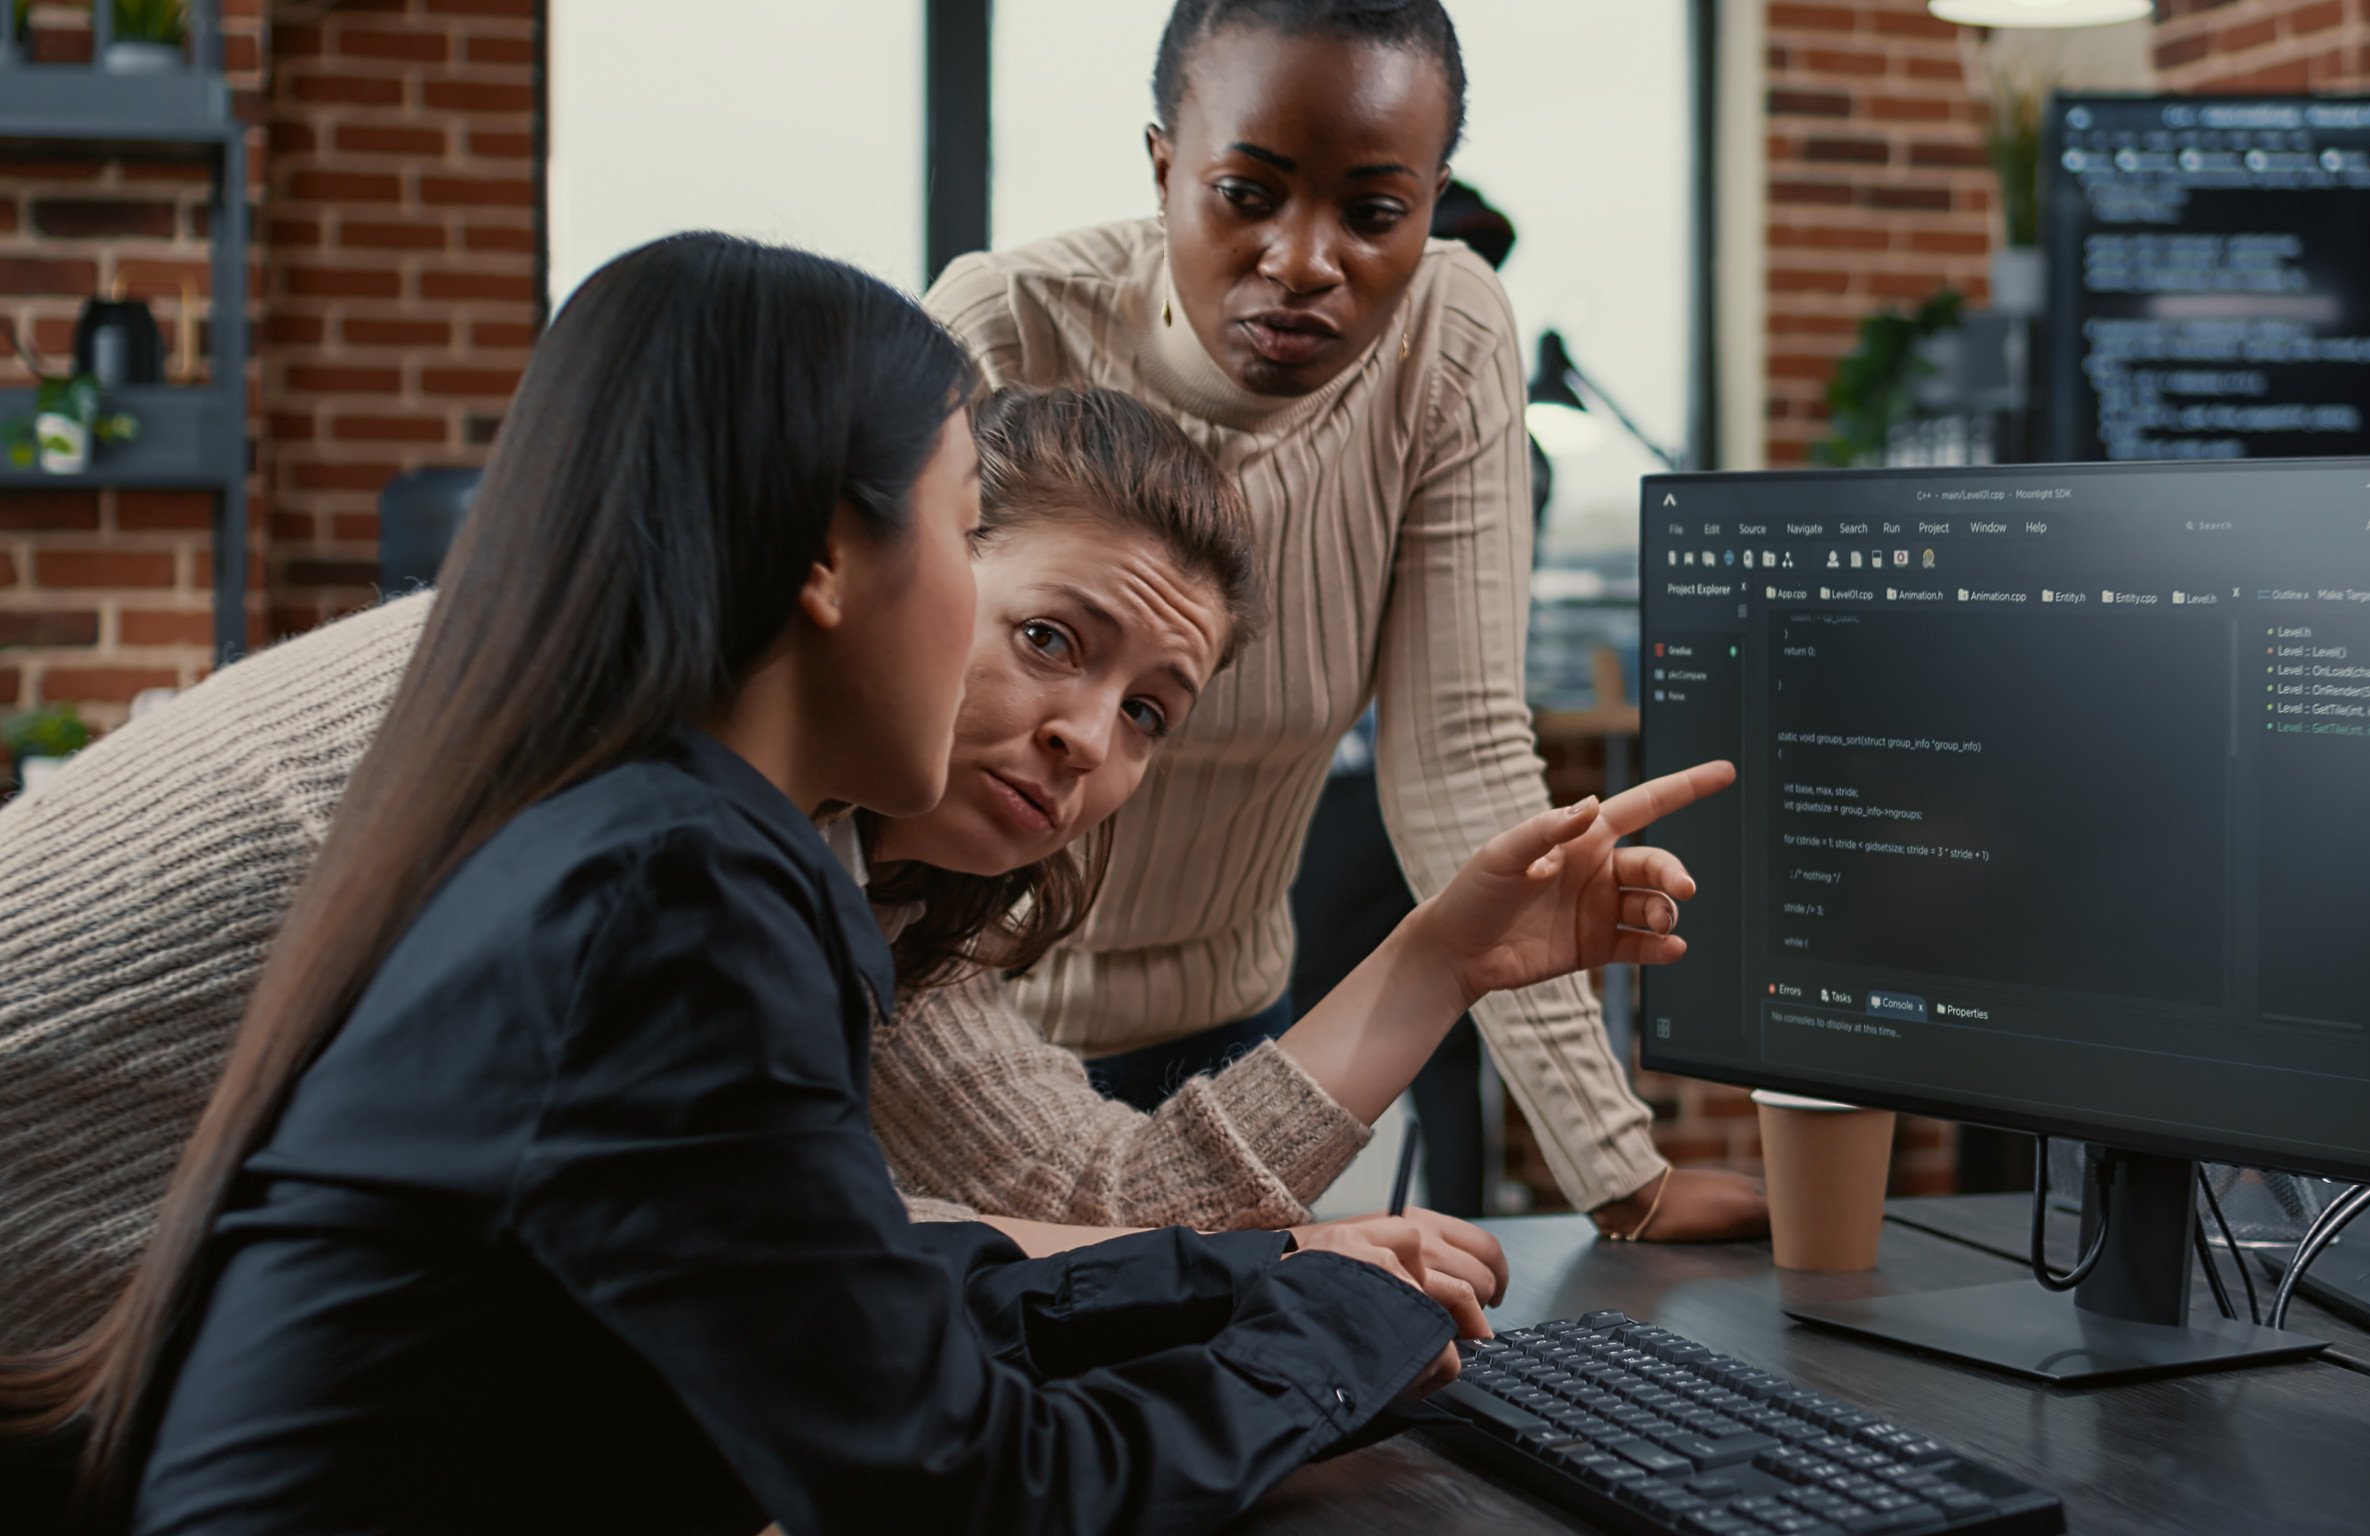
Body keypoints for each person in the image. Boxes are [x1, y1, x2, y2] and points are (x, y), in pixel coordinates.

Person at [1, 234, 1717, 1535]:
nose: (1075, 739)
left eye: (1146, 719)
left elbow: (870, 1257)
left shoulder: (693, 827)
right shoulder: (642, 867)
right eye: (995, 577)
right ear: (824, 555)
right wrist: (1325, 1318)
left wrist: (1266, 1278)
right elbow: (953, 1473)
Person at [0, 381, 1507, 1352]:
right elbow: (781, 1244)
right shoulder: (639, 765)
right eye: (1047, 639)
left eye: (1146, 717)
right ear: (893, 574)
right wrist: (1269, 1271)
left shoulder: (837, 832)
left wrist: (1433, 958)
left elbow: (1095, 1199)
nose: (1082, 743)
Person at [919, 0, 1767, 1239]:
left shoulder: (1448, 334)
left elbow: (1460, 753)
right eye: (1246, 194)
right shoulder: (1001, 325)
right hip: (953, 1028)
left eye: (1374, 214)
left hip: (1227, 1032)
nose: (1305, 260)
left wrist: (1614, 1168)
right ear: (1164, 168)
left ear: (1429, 204)